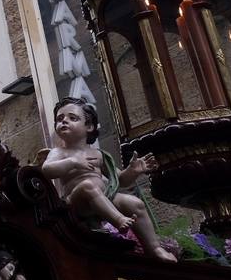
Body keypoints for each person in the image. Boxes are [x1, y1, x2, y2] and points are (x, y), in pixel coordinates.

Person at [40, 97, 176, 262]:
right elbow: (47, 170)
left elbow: (121, 181)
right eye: (60, 119)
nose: (64, 121)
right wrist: (73, 162)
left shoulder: (98, 154)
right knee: (88, 186)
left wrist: (133, 171)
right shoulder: (59, 152)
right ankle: (119, 220)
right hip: (76, 202)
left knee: (135, 204)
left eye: (72, 118)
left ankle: (154, 248)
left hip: (105, 198)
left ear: (89, 126)